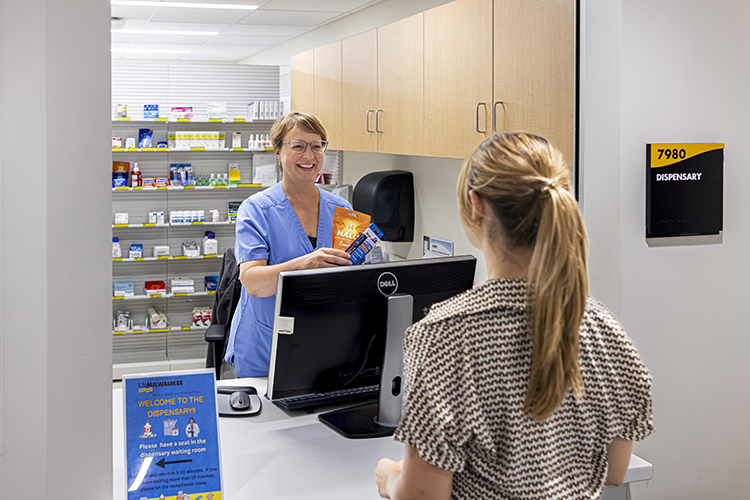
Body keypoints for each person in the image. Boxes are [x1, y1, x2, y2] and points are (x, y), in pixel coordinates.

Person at [375, 132, 654, 499]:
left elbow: (422, 496)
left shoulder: (445, 335)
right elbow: (615, 472)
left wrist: (390, 476)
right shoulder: (603, 328)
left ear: (477, 205)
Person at [224, 112, 353, 377]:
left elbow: (354, 276)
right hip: (266, 344)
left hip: (324, 342)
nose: (309, 156)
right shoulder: (256, 209)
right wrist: (305, 264)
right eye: (298, 146)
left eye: (317, 146)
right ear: (278, 153)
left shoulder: (343, 209)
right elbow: (252, 282)